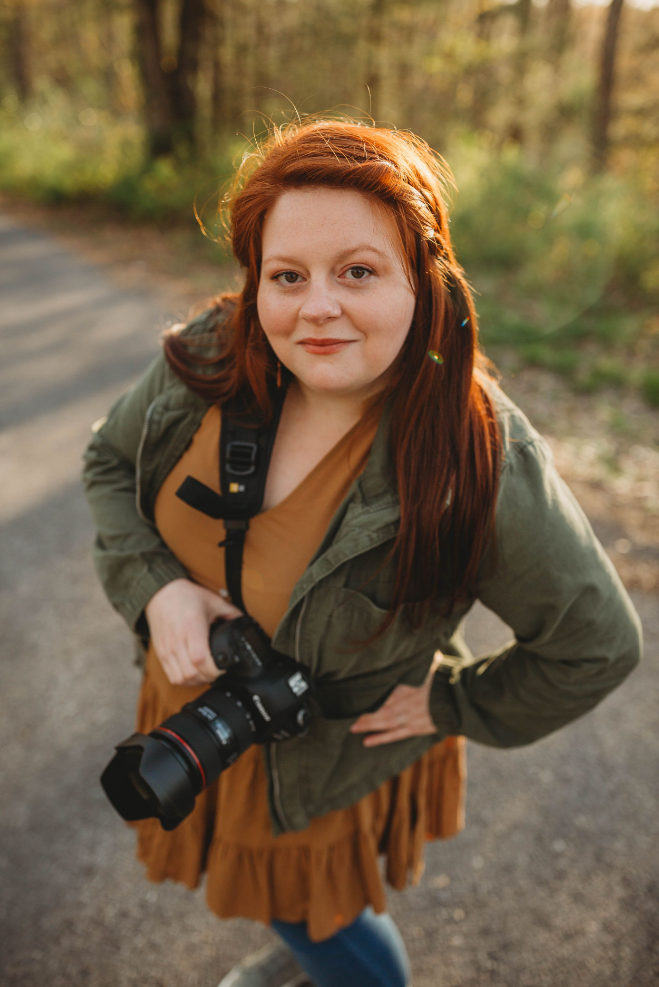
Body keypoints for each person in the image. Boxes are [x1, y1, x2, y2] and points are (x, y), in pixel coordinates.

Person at [83, 119, 642, 987]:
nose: (316, 308)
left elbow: (596, 643)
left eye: (358, 272)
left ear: (423, 282)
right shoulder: (212, 353)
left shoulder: (477, 456)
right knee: (307, 912)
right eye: (287, 275)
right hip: (197, 715)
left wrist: (453, 703)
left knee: (323, 915)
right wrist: (157, 590)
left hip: (324, 764)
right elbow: (108, 460)